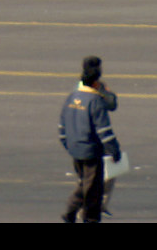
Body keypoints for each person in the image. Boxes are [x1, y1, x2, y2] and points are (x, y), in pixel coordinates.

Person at [58, 55, 121, 223]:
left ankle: (70, 212)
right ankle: (89, 218)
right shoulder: (95, 100)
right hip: (90, 150)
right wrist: (114, 150)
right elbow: (104, 129)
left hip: (75, 148)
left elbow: (62, 126)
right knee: (93, 189)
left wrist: (68, 144)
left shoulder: (72, 96)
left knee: (84, 183)